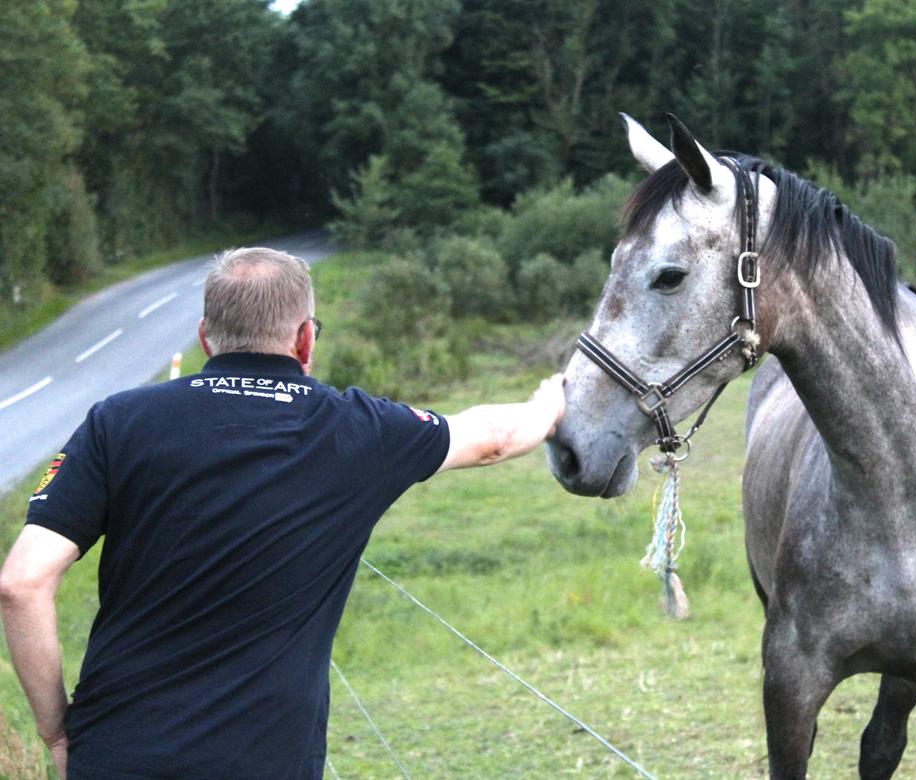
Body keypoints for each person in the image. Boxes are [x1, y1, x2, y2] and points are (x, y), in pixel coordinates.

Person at [0, 247, 566, 779]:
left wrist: (55, 733)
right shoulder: (359, 429)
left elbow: (21, 584)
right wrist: (553, 401)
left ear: (204, 337)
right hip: (266, 760)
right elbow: (493, 438)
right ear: (304, 340)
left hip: (116, 753)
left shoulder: (117, 421)